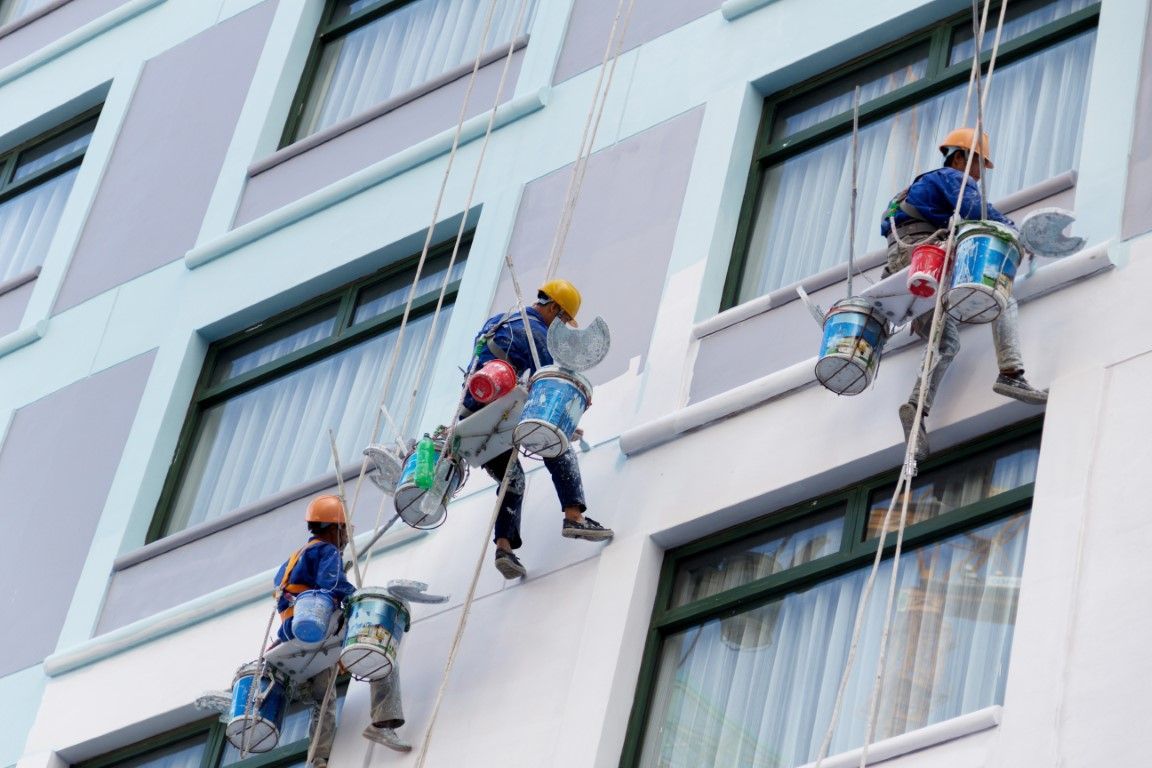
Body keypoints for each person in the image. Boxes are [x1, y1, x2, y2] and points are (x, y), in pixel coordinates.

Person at [880, 128, 1048, 460]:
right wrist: (1014, 232)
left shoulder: (914, 191)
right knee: (998, 292)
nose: (978, 176)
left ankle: (917, 408)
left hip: (909, 269)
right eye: (977, 166)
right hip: (925, 254)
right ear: (959, 158)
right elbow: (976, 209)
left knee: (946, 343)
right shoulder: (951, 177)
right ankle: (1011, 373)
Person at [459, 279, 613, 579]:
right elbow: (549, 382)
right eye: (563, 319)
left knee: (512, 478)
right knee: (555, 443)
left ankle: (504, 549)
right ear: (553, 307)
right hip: (502, 407)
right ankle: (574, 517)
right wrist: (565, 424)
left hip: (473, 413)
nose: (561, 327)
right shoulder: (537, 334)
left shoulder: (501, 320)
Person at [274, 495, 410, 764]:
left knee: (323, 700)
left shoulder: (295, 557)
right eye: (345, 529)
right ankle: (384, 722)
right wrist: (358, 597)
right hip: (319, 621)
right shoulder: (326, 551)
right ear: (334, 528)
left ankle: (318, 759)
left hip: (296, 632)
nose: (347, 537)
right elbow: (333, 583)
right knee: (378, 647)